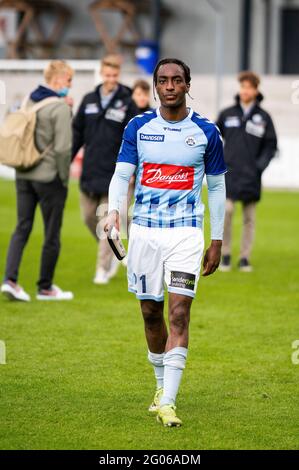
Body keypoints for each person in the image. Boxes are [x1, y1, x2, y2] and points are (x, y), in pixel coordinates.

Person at [105, 58, 226, 427]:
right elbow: (121, 174)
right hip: (144, 232)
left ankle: (169, 401)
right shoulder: (139, 127)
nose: (170, 85)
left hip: (186, 234)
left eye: (177, 80)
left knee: (178, 313)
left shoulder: (206, 131)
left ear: (188, 84)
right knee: (150, 312)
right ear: (155, 86)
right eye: (163, 80)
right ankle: (160, 387)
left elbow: (218, 187)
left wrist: (216, 239)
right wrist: (113, 212)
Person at [1, 60, 74, 302]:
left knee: (21, 228)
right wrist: (63, 178)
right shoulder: (60, 108)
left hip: (23, 173)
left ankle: (10, 281)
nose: (70, 85)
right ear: (58, 80)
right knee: (52, 233)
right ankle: (45, 287)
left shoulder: (29, 100)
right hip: (49, 177)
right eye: (68, 80)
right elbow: (63, 149)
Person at [72, 54, 138, 285]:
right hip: (90, 170)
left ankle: (102, 268)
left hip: (115, 174)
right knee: (89, 218)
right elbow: (77, 132)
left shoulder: (128, 102)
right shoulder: (89, 99)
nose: (110, 79)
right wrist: (68, 160)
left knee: (107, 222)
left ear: (118, 75)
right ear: (101, 73)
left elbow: (134, 140)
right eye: (107, 74)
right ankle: (112, 250)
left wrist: (133, 172)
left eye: (114, 75)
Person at [216, 71, 277, 272]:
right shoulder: (227, 114)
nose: (245, 90)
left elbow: (271, 145)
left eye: (249, 87)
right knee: (227, 211)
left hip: (252, 176)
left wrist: (259, 166)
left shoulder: (264, 117)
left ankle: (244, 258)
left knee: (249, 218)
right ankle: (225, 254)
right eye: (243, 87)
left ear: (256, 90)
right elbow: (214, 138)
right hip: (230, 174)